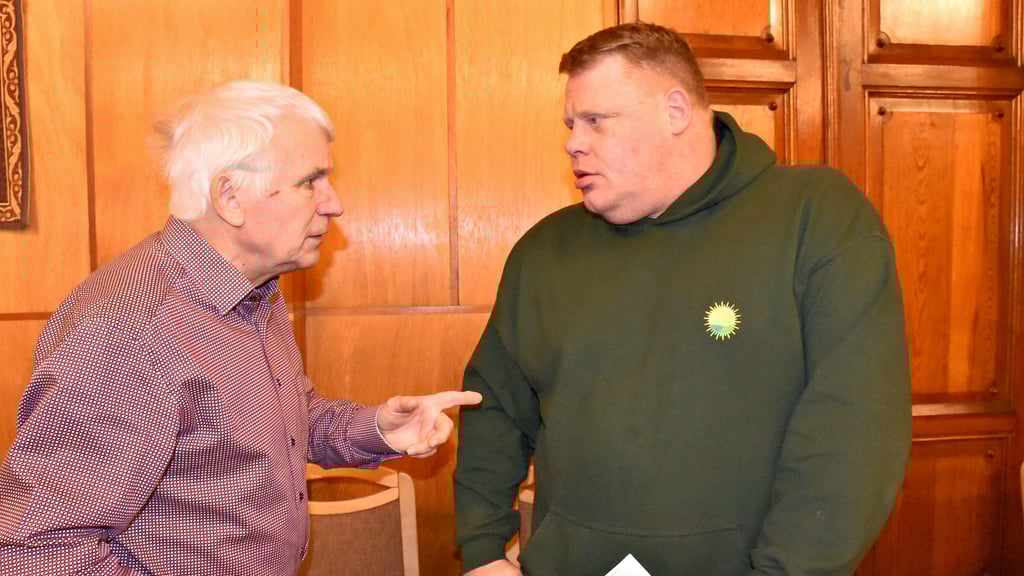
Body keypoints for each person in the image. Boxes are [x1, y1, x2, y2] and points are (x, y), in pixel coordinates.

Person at [455, 22, 910, 576]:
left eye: (596, 121)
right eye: (572, 123)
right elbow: (495, 407)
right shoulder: (544, 251)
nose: (573, 141)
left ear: (675, 112)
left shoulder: (816, 219)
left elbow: (852, 431)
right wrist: (482, 550)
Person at [0, 81, 481, 576]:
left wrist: (377, 427)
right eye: (309, 181)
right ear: (229, 196)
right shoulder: (130, 326)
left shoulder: (255, 294)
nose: (333, 203)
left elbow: (277, 423)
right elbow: (39, 549)